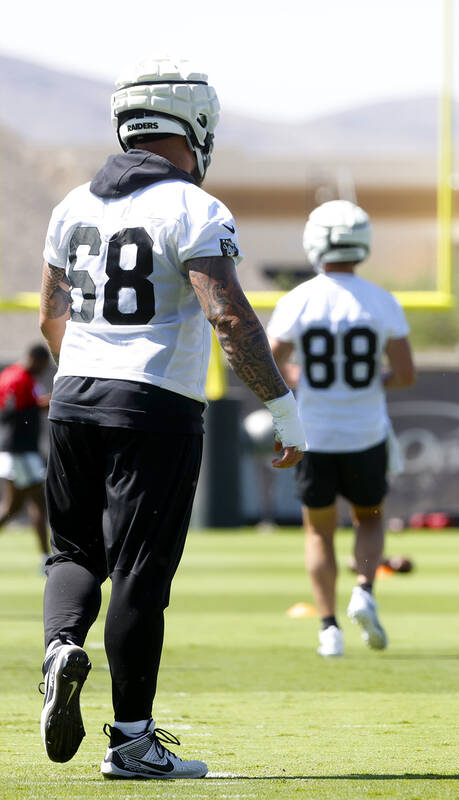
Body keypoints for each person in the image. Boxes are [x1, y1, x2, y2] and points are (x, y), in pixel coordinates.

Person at [38, 57, 306, 779]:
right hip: (153, 403)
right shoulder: (192, 207)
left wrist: (86, 373)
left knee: (72, 554)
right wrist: (282, 406)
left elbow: (50, 318)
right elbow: (227, 315)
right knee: (138, 571)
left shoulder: (72, 206)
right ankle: (130, 743)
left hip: (73, 397)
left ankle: (61, 644)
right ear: (196, 126)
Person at [268, 200, 415, 658]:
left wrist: (296, 379)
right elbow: (406, 372)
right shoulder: (380, 300)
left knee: (318, 532)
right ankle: (364, 589)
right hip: (366, 432)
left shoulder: (299, 299)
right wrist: (377, 379)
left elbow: (269, 357)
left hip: (314, 434)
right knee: (369, 518)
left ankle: (328, 628)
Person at [0, 343, 53, 572]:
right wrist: (45, 403)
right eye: (42, 364)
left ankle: (45, 558)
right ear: (35, 359)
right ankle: (45, 560)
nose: (43, 370)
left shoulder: (20, 376)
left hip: (21, 451)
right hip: (19, 451)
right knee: (37, 502)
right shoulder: (17, 378)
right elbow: (9, 413)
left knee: (14, 506)